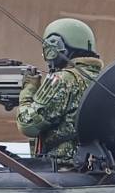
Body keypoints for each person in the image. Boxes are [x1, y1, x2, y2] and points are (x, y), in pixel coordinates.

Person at [16, 17, 104, 167]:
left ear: (54, 48)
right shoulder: (101, 78)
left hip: (62, 168)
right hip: (93, 166)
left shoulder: (63, 79)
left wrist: (28, 90)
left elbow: (28, 125)